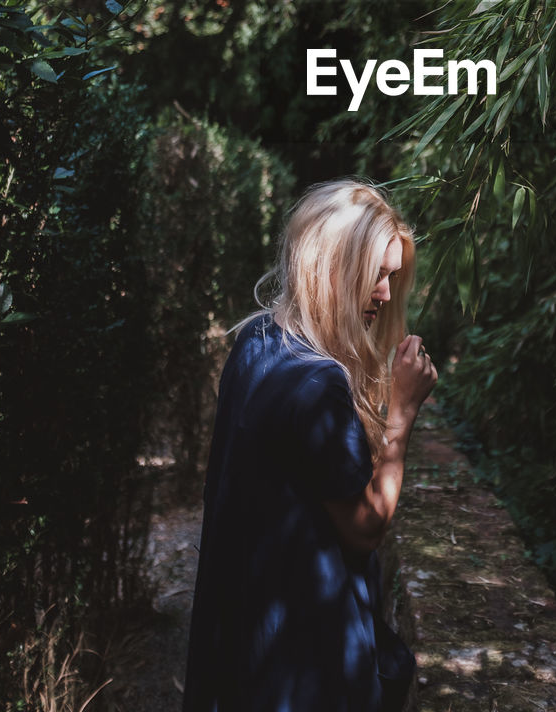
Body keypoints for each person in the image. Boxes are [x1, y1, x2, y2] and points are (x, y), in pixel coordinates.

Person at [181, 177, 437, 712]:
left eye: (391, 277)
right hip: (307, 664)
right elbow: (365, 528)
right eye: (377, 275)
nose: (387, 294)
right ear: (337, 266)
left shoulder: (257, 340)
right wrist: (403, 413)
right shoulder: (320, 385)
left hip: (250, 639)